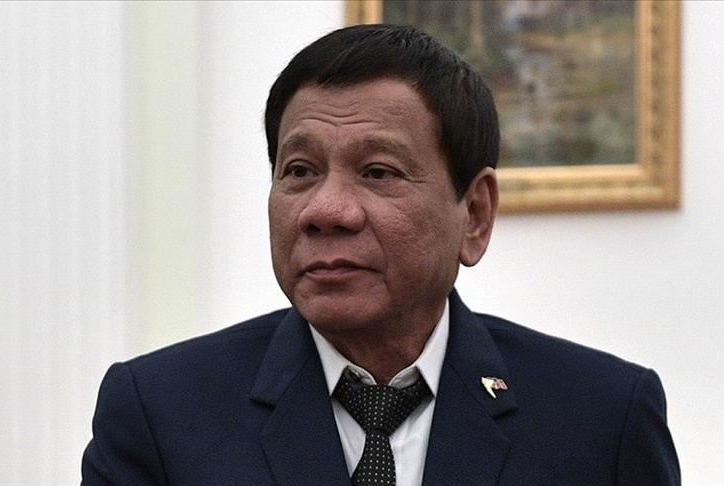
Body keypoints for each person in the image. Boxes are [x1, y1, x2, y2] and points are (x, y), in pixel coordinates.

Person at [82, 24, 679, 485]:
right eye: (300, 171)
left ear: (474, 214)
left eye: (377, 172)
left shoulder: (601, 418)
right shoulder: (160, 413)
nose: (325, 210)